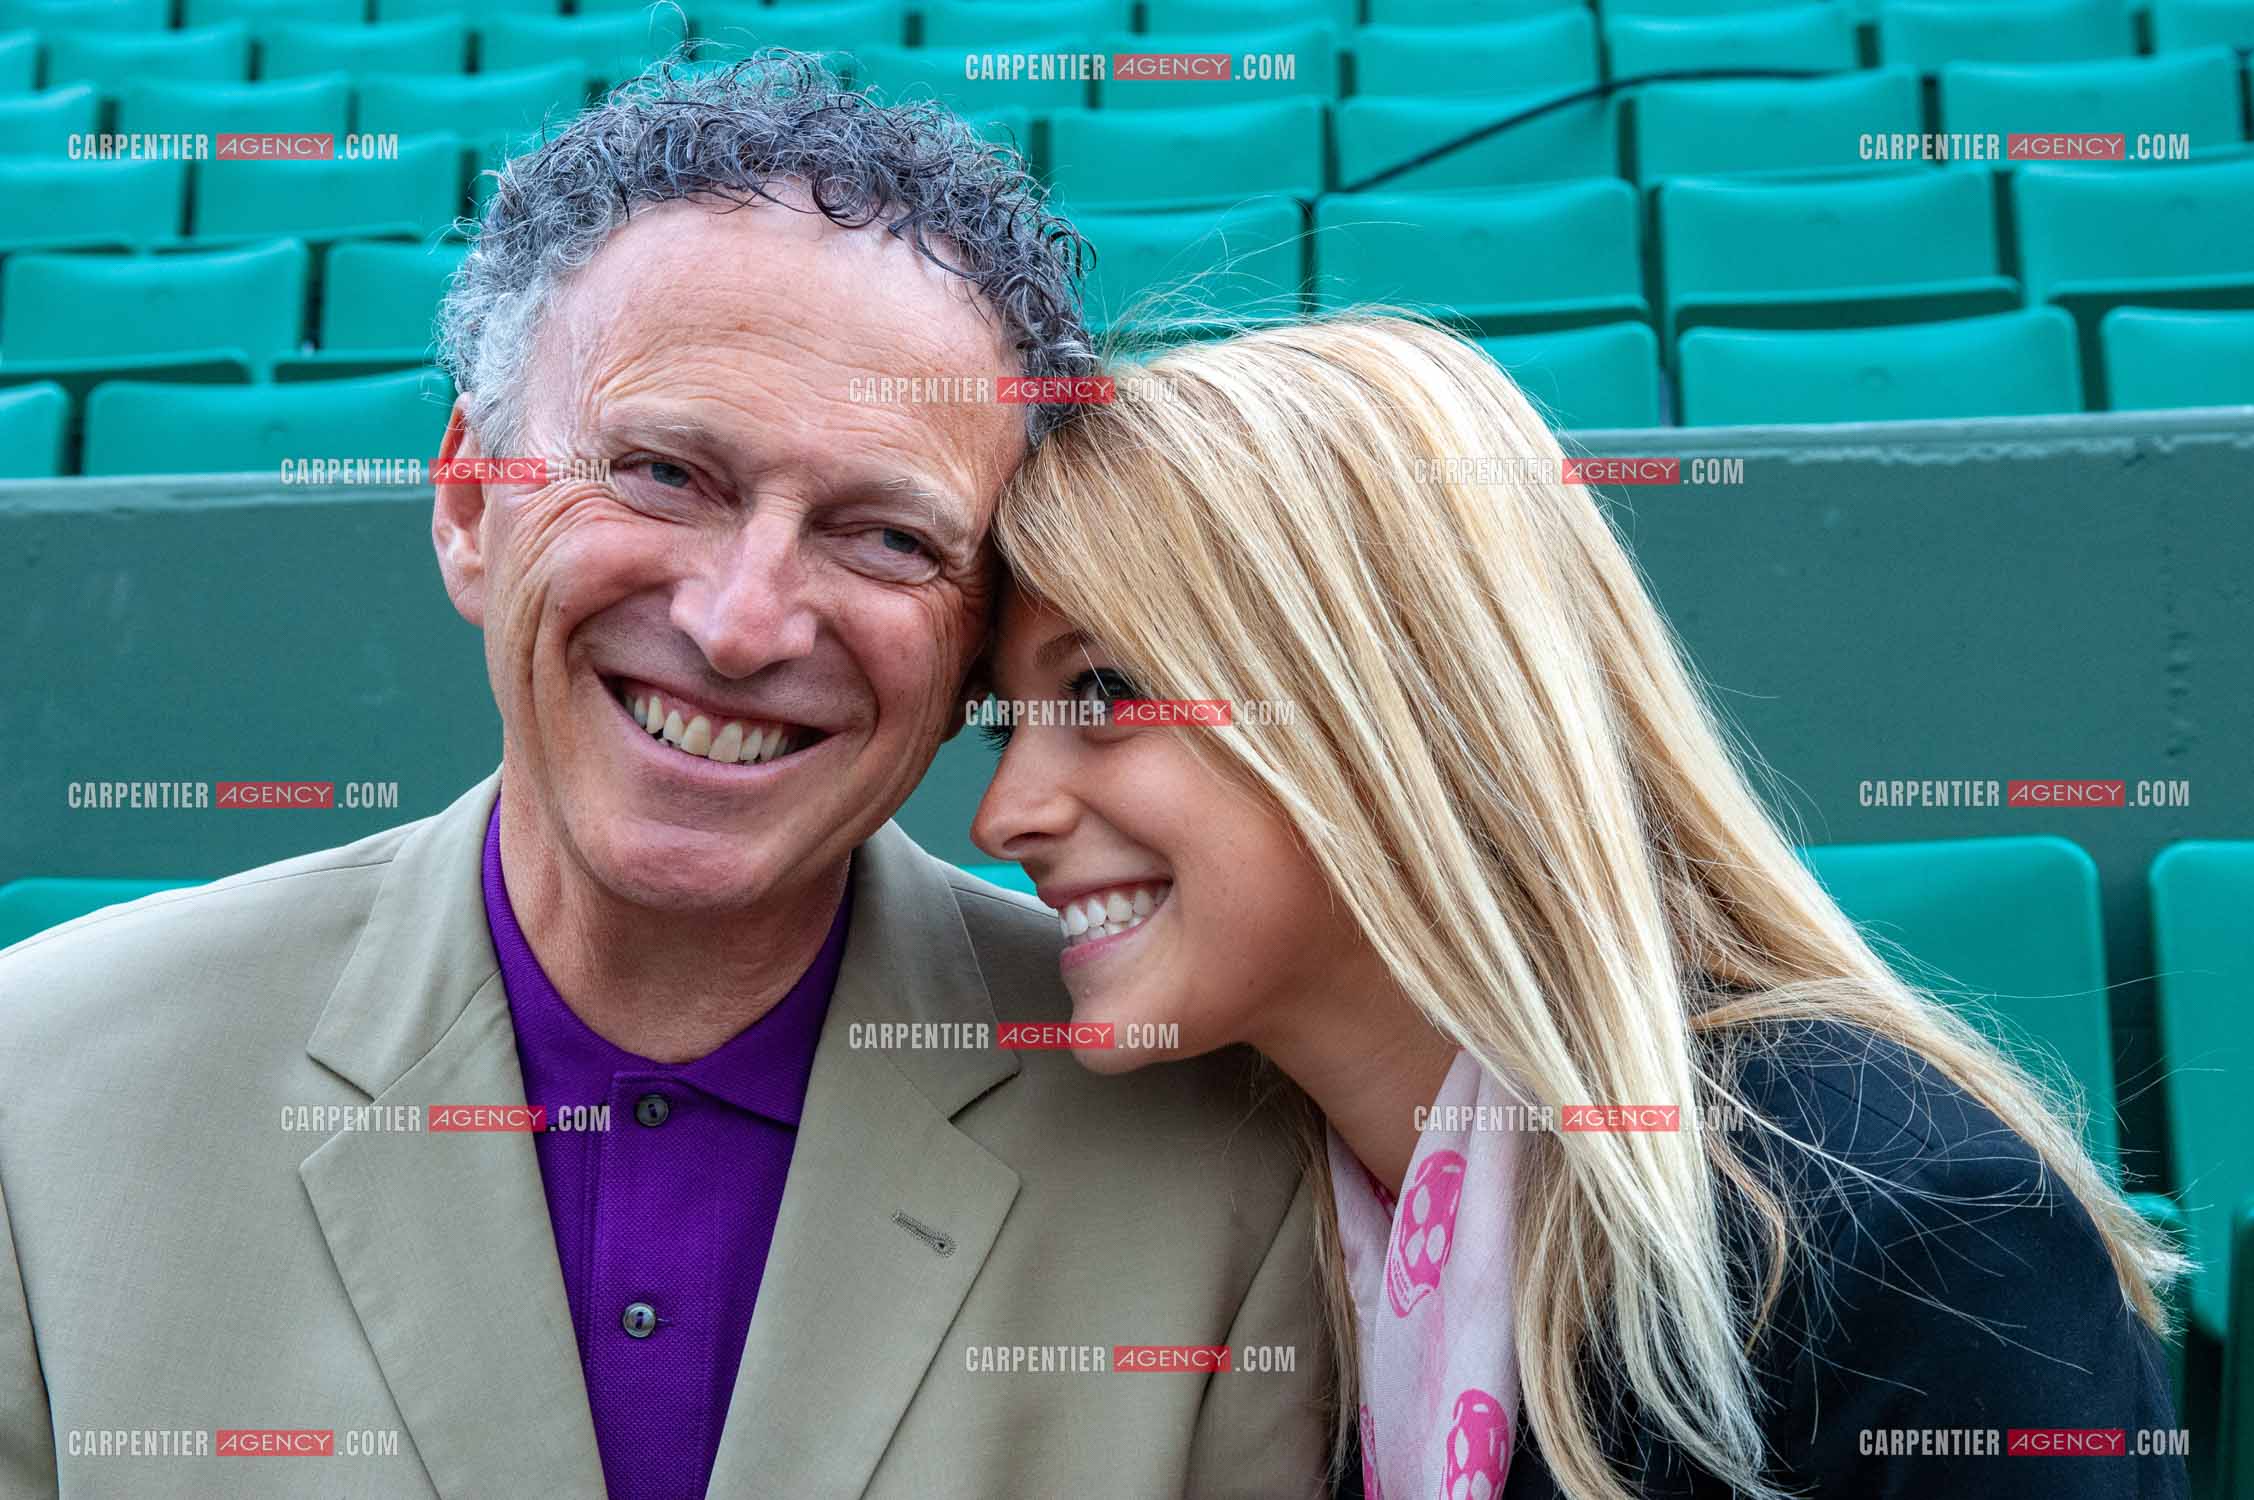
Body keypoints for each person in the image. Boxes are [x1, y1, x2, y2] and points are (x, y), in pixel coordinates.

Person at [0, 58, 1327, 1500]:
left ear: (973, 644)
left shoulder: (1224, 1161)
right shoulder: (41, 1094)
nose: (742, 623)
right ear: (467, 503)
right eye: (662, 474)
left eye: (885, 535)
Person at [971, 313, 2190, 1499]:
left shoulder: (1905, 1237)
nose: (1004, 814)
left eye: (1104, 690)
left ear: (1398, 700)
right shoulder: (1242, 1224)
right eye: (1002, 733)